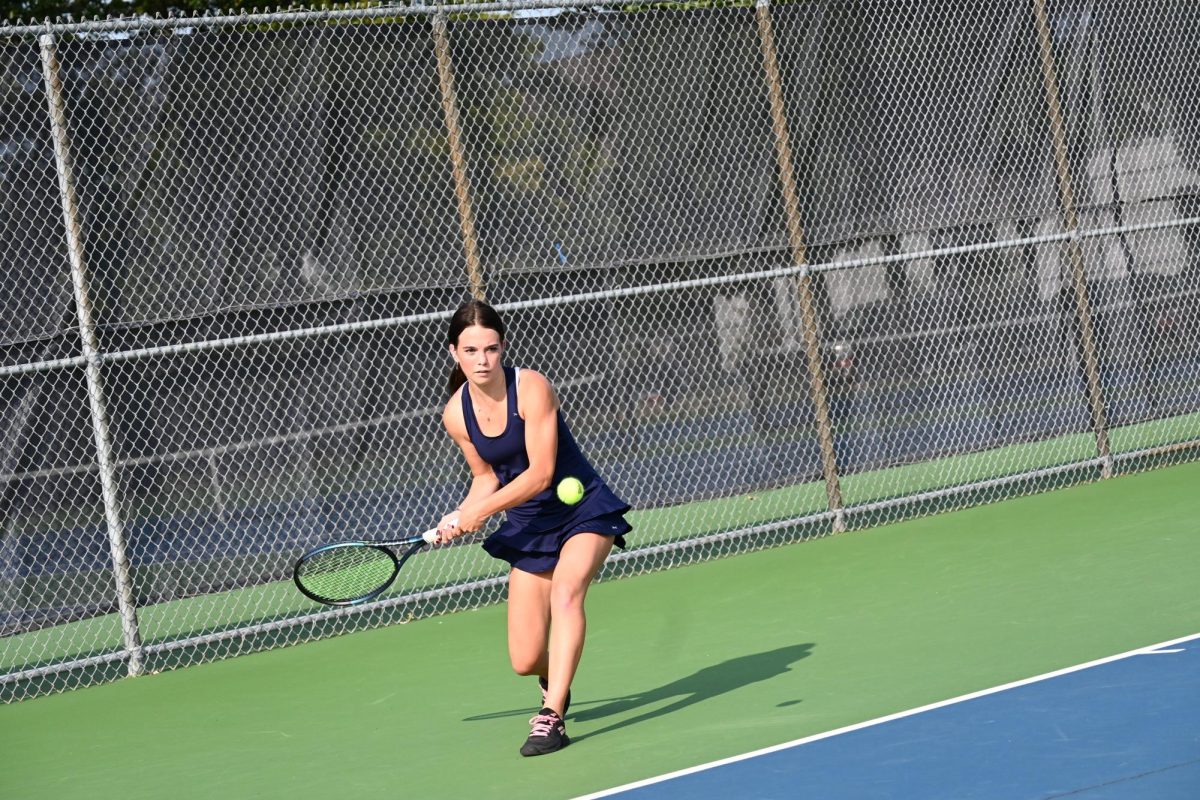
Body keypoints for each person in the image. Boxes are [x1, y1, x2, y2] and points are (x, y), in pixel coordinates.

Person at [435, 299, 632, 757]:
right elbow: (485, 478)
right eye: (471, 351)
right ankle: (554, 677)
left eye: (491, 349)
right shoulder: (455, 415)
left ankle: (552, 715)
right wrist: (459, 513)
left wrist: (480, 515)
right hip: (528, 525)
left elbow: (541, 474)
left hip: (582, 509)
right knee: (524, 659)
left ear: (503, 348)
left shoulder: (532, 388)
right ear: (453, 353)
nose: (482, 360)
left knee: (567, 592)